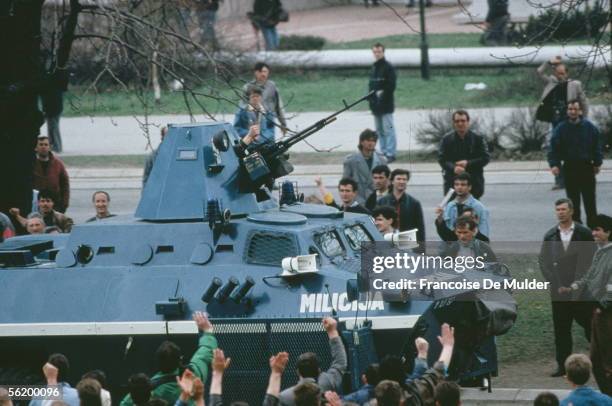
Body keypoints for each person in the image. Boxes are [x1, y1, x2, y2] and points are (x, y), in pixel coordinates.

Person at [539, 198, 596, 377]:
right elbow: (544, 262)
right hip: (559, 293)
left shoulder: (584, 233)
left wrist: (577, 284)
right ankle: (562, 366)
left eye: (564, 209)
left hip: (581, 292)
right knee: (561, 330)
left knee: (590, 327)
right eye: (558, 210)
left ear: (571, 211)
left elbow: (591, 261)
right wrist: (556, 284)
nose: (560, 212)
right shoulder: (550, 235)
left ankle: (600, 360)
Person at [120, 312, 218, 406]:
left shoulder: (148, 389)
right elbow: (205, 351)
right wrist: (207, 330)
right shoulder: (195, 373)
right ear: (180, 358)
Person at [564, 214, 612, 395]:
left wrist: (603, 305)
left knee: (608, 361)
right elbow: (590, 275)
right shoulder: (600, 252)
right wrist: (574, 286)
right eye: (593, 229)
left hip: (607, 313)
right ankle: (607, 395)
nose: (594, 233)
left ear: (608, 232)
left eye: (598, 230)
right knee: (596, 360)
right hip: (596, 313)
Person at [537, 56, 589, 191]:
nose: (560, 76)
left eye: (562, 73)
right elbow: (540, 72)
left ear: (567, 73)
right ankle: (559, 180)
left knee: (573, 149)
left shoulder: (575, 84)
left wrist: (585, 117)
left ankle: (576, 178)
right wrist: (549, 62)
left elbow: (583, 101)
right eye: (557, 73)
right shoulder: (551, 83)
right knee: (555, 149)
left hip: (570, 121)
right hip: (556, 121)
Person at [548, 100, 603, 229]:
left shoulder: (589, 127)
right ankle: (578, 229)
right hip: (570, 167)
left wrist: (597, 162)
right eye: (570, 109)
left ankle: (593, 228)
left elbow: (597, 146)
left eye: (575, 109)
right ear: (567, 111)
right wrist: (554, 164)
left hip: (586, 167)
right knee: (573, 202)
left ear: (580, 111)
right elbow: (553, 149)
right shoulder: (561, 128)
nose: (572, 112)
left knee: (590, 201)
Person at [278, 317, 347, 405]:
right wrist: (332, 331)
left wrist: (275, 374)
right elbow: (340, 363)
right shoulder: (327, 382)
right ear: (319, 370)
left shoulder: (285, 397)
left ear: (298, 372)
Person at [438, 110, 490, 199]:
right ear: (453, 123)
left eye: (463, 121)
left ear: (468, 122)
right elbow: (441, 159)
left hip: (474, 184)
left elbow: (485, 158)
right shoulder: (446, 139)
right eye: (457, 121)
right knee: (452, 211)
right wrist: (453, 168)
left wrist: (468, 163)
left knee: (472, 212)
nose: (460, 123)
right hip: (452, 184)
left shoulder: (478, 139)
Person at [378, 169, 425, 245]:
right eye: (398, 179)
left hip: (407, 243)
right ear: (392, 181)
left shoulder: (414, 203)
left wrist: (421, 250)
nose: (402, 182)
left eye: (404, 179)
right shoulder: (382, 202)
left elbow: (420, 229)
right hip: (386, 242)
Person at [368, 43, 397, 162]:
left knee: (388, 129)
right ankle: (383, 151)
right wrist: (370, 99)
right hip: (375, 105)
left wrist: (382, 95)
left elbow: (391, 85)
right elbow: (371, 85)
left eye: (379, 52)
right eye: (375, 52)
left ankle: (390, 153)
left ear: (383, 52)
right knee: (379, 130)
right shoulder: (374, 67)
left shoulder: (388, 67)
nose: (377, 54)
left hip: (386, 105)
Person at [438, 173, 490, 238]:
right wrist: (440, 219)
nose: (459, 187)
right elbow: (446, 233)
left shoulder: (479, 207)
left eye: (463, 185)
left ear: (469, 187)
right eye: (457, 184)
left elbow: (484, 231)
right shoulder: (450, 206)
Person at [343, 129, 387, 204]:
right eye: (368, 140)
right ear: (362, 142)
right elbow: (345, 183)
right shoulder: (351, 160)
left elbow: (386, 183)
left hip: (376, 201)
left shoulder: (381, 160)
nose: (371, 143)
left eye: (373, 141)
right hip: (357, 202)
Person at [243, 62, 287, 135]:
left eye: (265, 71)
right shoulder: (248, 87)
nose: (263, 74)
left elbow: (278, 105)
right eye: (260, 72)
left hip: (269, 120)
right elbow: (243, 106)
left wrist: (283, 123)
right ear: (255, 72)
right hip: (253, 121)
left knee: (270, 143)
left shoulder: (272, 86)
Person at [33, 134, 70, 213]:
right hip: (36, 207)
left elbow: (65, 185)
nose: (43, 147)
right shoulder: (31, 164)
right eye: (41, 144)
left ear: (50, 147)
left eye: (46, 144)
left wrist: (64, 204)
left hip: (55, 207)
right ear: (36, 147)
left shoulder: (58, 164)